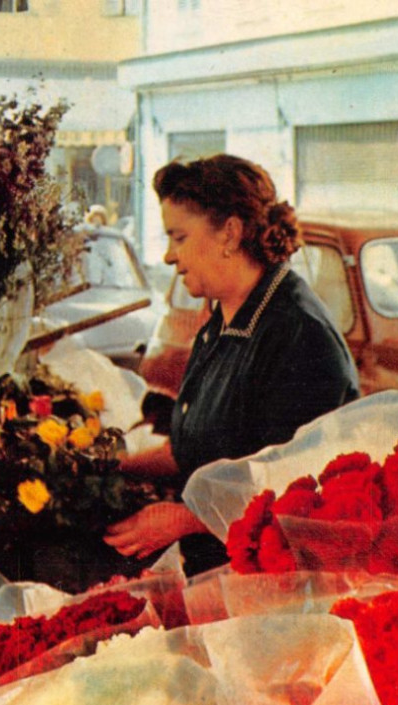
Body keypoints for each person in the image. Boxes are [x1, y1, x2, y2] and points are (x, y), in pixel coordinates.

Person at [104, 155, 358, 575]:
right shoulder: (225, 318)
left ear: (230, 233)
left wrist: (182, 520)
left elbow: (297, 492)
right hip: (214, 566)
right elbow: (196, 452)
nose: (169, 256)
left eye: (179, 237)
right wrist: (113, 465)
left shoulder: (298, 336)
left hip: (271, 582)